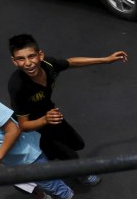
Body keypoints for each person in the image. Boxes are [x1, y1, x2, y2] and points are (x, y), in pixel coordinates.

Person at [7, 33, 128, 186]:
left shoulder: (49, 64)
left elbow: (71, 62)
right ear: (14, 61)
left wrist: (106, 59)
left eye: (31, 56)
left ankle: (50, 156)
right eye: (21, 59)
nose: (28, 63)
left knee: (78, 144)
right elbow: (23, 125)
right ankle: (80, 173)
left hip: (52, 116)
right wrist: (45, 119)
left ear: (40, 55)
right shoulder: (17, 87)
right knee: (70, 155)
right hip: (37, 128)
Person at [0, 94, 90, 199]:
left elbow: (13, 129)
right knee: (24, 186)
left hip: (26, 154)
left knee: (51, 184)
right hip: (5, 161)